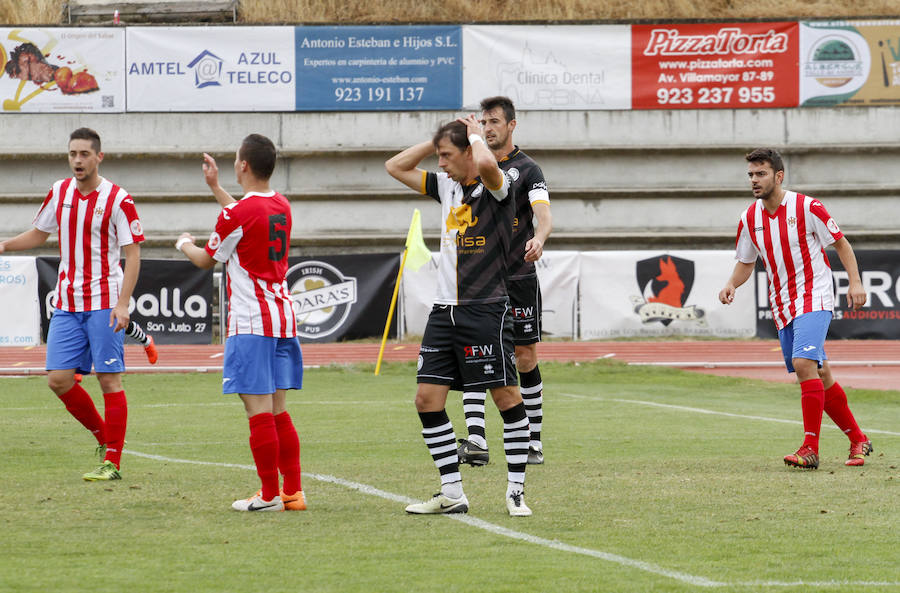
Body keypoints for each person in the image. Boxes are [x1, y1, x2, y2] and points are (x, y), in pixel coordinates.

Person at [385, 115, 533, 516]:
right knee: (426, 399)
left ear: (469, 150)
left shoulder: (499, 184)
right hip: (444, 311)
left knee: (505, 398)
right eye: (439, 157)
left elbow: (486, 165)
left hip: (485, 308)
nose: (441, 164)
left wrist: (470, 134)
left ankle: (516, 491)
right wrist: (436, 141)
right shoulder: (445, 185)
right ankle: (452, 492)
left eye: (448, 156)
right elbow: (395, 167)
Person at [0, 127, 143, 481]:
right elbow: (39, 233)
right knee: (59, 380)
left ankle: (112, 462)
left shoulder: (118, 199)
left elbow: (133, 253)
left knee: (110, 380)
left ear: (99, 157)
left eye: (84, 154)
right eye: (72, 154)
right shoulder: (60, 192)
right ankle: (102, 436)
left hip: (104, 302)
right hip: (66, 301)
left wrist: (123, 304)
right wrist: (5, 245)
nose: (77, 160)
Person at [718, 148, 872, 470]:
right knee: (820, 372)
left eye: (760, 174)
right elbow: (746, 262)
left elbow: (841, 243)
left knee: (804, 363)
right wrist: (733, 283)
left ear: (779, 176)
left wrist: (855, 283)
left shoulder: (806, 206)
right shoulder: (750, 218)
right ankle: (858, 438)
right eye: (750, 174)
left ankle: (809, 448)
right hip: (782, 303)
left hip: (814, 296)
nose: (754, 180)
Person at [175, 134, 305, 512]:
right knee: (278, 408)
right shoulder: (280, 203)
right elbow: (246, 217)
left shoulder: (236, 215)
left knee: (258, 409)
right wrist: (216, 187)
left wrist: (183, 243)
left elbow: (205, 259)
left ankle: (267, 497)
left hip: (251, 322)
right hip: (282, 318)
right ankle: (292, 493)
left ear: (243, 165)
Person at [456, 96, 552, 467]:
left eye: (494, 121)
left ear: (512, 124)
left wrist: (539, 238)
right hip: (479, 277)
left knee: (525, 358)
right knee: (477, 353)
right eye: (484, 121)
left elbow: (543, 214)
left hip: (518, 275)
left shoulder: (529, 170)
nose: (488, 127)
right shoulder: (472, 165)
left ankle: (533, 442)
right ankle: (477, 440)